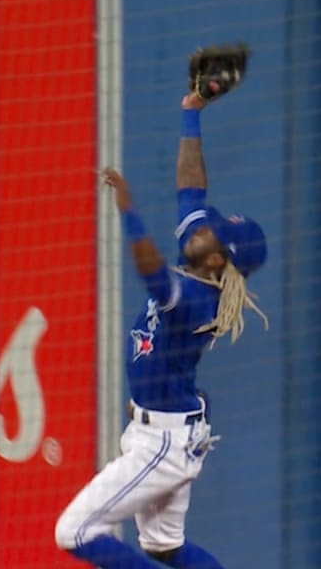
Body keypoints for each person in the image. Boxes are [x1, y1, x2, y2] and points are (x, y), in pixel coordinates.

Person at [53, 52, 269, 569]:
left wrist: (128, 212)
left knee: (75, 531)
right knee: (162, 547)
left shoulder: (196, 296)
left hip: (163, 441)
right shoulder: (199, 260)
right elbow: (190, 185)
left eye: (210, 230)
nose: (200, 224)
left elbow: (150, 272)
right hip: (170, 428)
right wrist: (191, 111)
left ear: (218, 259)